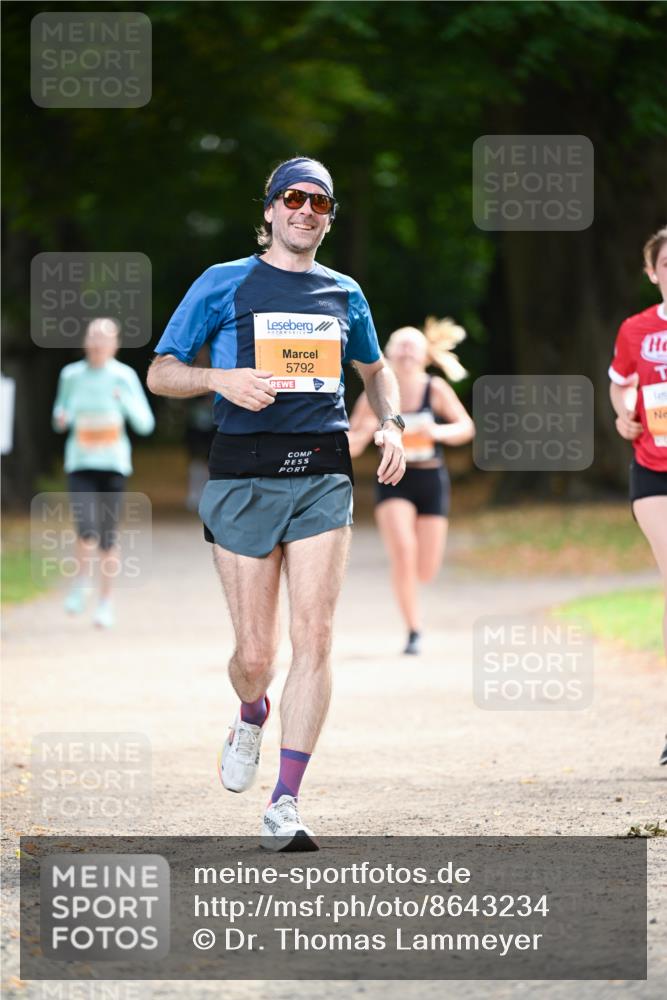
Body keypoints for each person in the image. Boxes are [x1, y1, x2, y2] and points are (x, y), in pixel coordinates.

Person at [147, 156, 406, 850]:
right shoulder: (221, 282)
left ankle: (284, 802)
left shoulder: (343, 292)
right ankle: (250, 708)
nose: (304, 211)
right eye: (292, 198)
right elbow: (161, 371)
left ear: (327, 217)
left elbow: (375, 371)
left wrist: (389, 422)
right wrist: (218, 378)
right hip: (242, 473)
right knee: (257, 653)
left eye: (318, 203)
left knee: (314, 639)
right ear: (267, 210)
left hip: (322, 471)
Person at [348, 319, 474, 654]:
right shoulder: (374, 395)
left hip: (431, 478)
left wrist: (437, 432)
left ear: (425, 356)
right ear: (386, 354)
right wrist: (370, 431)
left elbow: (465, 427)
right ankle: (413, 629)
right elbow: (352, 443)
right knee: (403, 553)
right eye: (399, 345)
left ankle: (414, 604)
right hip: (394, 480)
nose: (405, 351)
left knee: (426, 568)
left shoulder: (436, 389)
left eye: (412, 346)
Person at [52, 318, 155, 628]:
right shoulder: (70, 375)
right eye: (93, 337)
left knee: (108, 537)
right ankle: (82, 582)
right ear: (85, 341)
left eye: (104, 338)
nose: (97, 343)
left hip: (113, 465)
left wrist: (123, 402)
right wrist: (62, 417)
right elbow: (59, 416)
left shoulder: (124, 377)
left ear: (115, 344)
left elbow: (145, 424)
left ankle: (105, 603)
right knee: (85, 529)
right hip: (80, 463)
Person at [608, 225, 667, 766]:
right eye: (666, 263)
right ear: (653, 273)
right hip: (653, 470)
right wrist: (623, 414)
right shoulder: (636, 329)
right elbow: (619, 382)